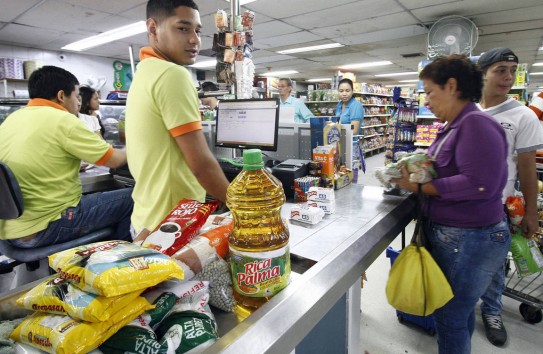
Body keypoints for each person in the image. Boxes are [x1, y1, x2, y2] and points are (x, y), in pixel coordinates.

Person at [391, 54, 510, 354]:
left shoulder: (475, 124)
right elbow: (452, 168)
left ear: (452, 86)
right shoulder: (454, 126)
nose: (427, 101)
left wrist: (419, 185)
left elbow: (479, 183)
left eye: (430, 92)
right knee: (457, 313)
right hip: (458, 237)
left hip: (470, 238)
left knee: (450, 317)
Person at [125, 0, 230, 238]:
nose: (194, 39)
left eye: (197, 30)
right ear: (153, 29)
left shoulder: (145, 71)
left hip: (145, 221)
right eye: (183, 28)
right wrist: (246, 207)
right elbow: (201, 165)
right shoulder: (172, 75)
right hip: (171, 227)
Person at [0, 65, 133, 247]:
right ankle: (122, 263)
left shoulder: (13, 119)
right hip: (47, 225)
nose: (78, 102)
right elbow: (115, 160)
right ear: (62, 96)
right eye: (76, 96)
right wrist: (134, 145)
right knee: (133, 198)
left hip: (11, 229)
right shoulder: (63, 120)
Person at [476, 48, 543, 347]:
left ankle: (492, 311)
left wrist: (530, 213)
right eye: (500, 69)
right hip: (462, 205)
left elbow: (528, 170)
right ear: (483, 73)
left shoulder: (523, 115)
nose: (507, 77)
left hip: (497, 206)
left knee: (493, 265)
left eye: (511, 70)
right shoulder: (468, 110)